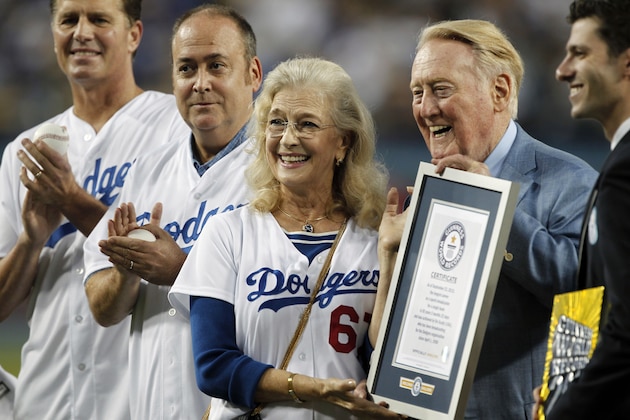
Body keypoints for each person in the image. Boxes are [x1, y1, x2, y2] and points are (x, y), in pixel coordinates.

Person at [168, 57, 403, 419]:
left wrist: (388, 259)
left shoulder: (375, 237)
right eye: (276, 122)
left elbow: (386, 367)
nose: (288, 139)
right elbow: (213, 365)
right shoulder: (227, 233)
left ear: (343, 141)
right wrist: (309, 388)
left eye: (306, 124)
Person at [0, 0, 188, 418]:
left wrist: (71, 199)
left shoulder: (175, 128)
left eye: (99, 19)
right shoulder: (25, 151)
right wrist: (31, 242)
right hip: (45, 394)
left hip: (136, 394)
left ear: (134, 35)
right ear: (53, 37)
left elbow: (166, 256)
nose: (81, 32)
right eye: (68, 20)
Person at [404, 19, 598, 419]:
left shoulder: (571, 180)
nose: (425, 108)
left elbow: (583, 291)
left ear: (499, 90)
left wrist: (491, 203)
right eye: (417, 92)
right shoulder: (424, 192)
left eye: (440, 89)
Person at [82, 5, 263, 419]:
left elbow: (285, 303)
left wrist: (181, 270)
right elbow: (100, 304)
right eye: (186, 69)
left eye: (216, 65)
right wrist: (126, 271)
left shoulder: (279, 170)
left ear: (253, 74)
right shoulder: (148, 170)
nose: (200, 84)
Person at [532, 1, 630, 418]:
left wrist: (565, 408)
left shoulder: (625, 172)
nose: (562, 70)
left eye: (581, 53)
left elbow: (626, 327)